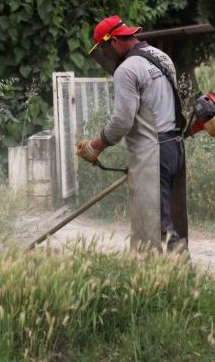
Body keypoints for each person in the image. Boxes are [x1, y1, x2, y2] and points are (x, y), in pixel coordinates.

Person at [75, 15, 188, 252]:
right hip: (174, 149)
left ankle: (179, 277)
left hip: (153, 153)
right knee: (168, 218)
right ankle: (173, 280)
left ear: (114, 41)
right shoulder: (161, 57)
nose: (105, 55)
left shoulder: (126, 70)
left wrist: (95, 146)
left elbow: (122, 121)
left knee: (157, 226)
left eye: (104, 48)